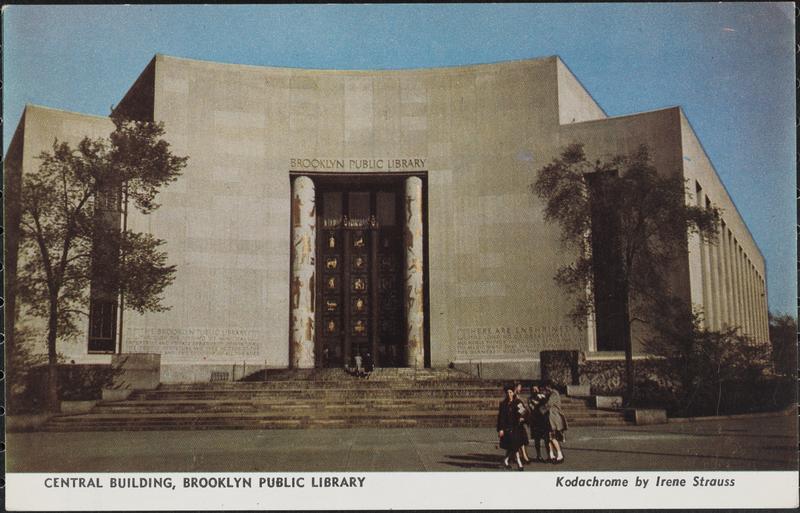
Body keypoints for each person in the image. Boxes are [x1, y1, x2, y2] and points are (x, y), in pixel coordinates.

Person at [496, 384, 526, 470]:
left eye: (510, 392)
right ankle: (518, 463)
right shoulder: (503, 404)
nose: (509, 394)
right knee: (513, 445)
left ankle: (509, 461)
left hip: (516, 427)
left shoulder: (518, 402)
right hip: (507, 428)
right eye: (507, 392)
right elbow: (501, 418)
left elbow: (524, 412)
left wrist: (522, 417)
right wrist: (500, 429)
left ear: (513, 393)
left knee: (513, 445)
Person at [542, 380, 568, 464]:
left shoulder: (554, 393)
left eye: (545, 388)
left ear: (548, 386)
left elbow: (548, 404)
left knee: (552, 437)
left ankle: (560, 455)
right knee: (547, 438)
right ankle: (551, 455)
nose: (544, 390)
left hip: (553, 418)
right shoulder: (550, 394)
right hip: (549, 419)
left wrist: (541, 405)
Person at [527, 384, 550, 462]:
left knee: (547, 439)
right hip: (535, 421)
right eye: (533, 389)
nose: (535, 391)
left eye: (536, 389)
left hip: (544, 420)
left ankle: (549, 455)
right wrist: (538, 402)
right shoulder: (530, 399)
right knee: (537, 439)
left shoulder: (543, 396)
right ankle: (539, 455)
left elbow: (546, 408)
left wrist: (541, 400)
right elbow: (532, 408)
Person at [513, 382, 531, 463]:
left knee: (522, 438)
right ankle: (519, 457)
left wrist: (524, 414)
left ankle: (524, 456)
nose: (520, 389)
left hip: (519, 420)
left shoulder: (517, 396)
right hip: (515, 421)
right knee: (517, 439)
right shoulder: (513, 396)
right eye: (519, 387)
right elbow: (518, 407)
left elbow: (521, 408)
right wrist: (522, 414)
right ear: (516, 387)